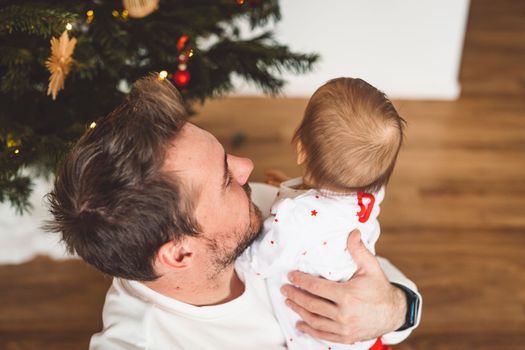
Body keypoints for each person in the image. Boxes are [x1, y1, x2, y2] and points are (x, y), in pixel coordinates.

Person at [46, 74, 421, 350]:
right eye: (225, 179)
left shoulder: (258, 206)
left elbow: (363, 266)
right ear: (179, 253)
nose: (247, 166)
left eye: (227, 157)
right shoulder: (142, 342)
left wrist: (394, 309)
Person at [239, 78, 412, 350]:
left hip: (319, 336)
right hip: (361, 329)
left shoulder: (295, 218)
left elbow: (257, 262)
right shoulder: (369, 194)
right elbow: (326, 211)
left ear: (301, 150)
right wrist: (293, 190)